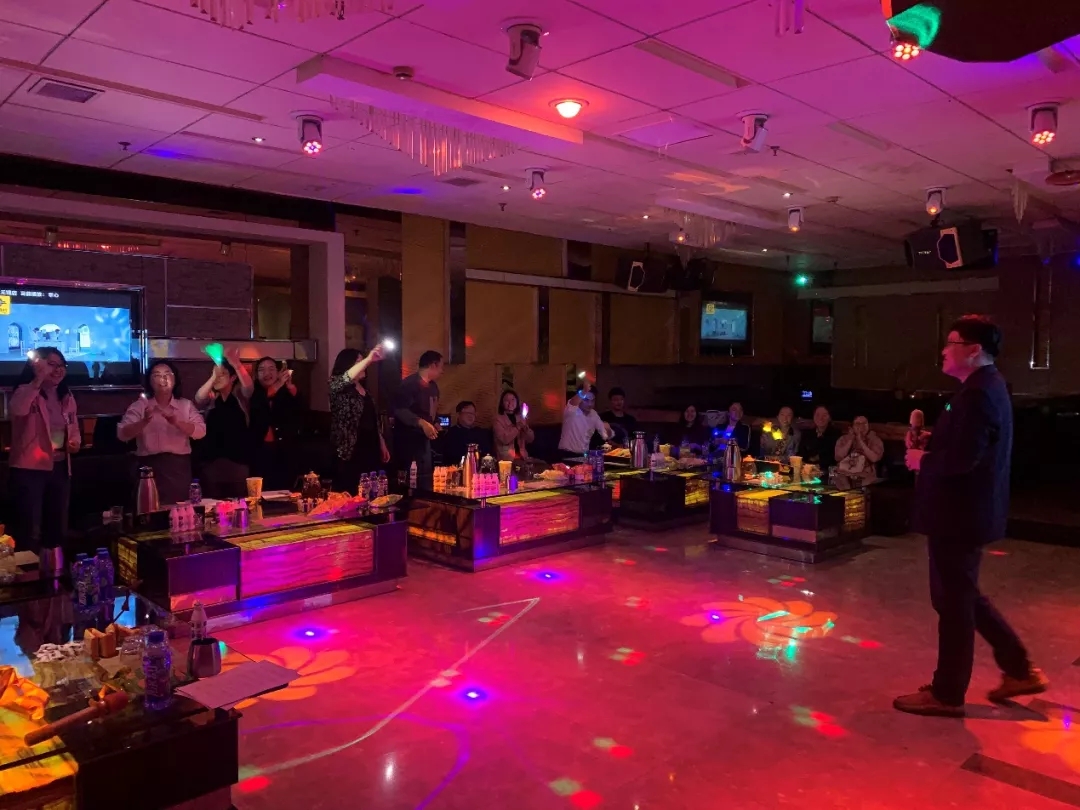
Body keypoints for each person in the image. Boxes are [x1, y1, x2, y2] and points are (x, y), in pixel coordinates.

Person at [895, 315, 1047, 716]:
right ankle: (1019, 668)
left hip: (958, 515)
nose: (944, 350)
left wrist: (922, 459)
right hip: (968, 513)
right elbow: (970, 443)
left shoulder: (978, 394)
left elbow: (964, 459)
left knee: (954, 604)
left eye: (952, 342)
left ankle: (947, 693)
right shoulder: (984, 386)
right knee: (962, 596)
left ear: (974, 350)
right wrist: (934, 440)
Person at [7, 348, 80, 553]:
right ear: (36, 366)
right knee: (29, 529)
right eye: (51, 365)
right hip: (29, 469)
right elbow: (17, 409)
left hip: (59, 466)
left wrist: (74, 442)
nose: (58, 370)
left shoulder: (66, 395)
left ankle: (54, 569)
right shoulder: (26, 390)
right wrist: (37, 380)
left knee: (56, 527)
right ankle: (28, 571)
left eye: (61, 365)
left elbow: (73, 426)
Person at [118, 361, 206, 505]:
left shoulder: (185, 405)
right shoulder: (140, 406)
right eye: (157, 375)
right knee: (150, 509)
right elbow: (122, 434)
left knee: (179, 510)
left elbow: (201, 432)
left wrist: (177, 422)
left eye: (167, 374)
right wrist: (144, 421)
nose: (163, 379)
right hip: (148, 469)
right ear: (149, 381)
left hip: (178, 468)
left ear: (175, 379)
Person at [194, 350, 254, 499]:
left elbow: (249, 388)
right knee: (213, 504)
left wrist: (236, 364)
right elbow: (198, 398)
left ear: (233, 377)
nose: (217, 378)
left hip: (237, 463)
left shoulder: (239, 396)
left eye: (222, 374)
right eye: (215, 374)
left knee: (238, 504)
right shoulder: (212, 399)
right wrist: (213, 377)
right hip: (212, 464)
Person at [329, 347, 388, 495]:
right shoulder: (336, 384)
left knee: (372, 490)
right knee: (351, 491)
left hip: (370, 445)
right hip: (350, 449)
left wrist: (381, 443)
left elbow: (372, 418)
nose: (365, 365)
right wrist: (369, 359)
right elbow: (346, 378)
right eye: (359, 362)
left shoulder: (364, 389)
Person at [393, 350, 443, 490]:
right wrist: (421, 423)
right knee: (410, 479)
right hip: (409, 441)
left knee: (425, 478)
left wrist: (435, 422)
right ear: (433, 365)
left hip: (425, 442)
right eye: (441, 367)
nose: (442, 371)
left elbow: (432, 410)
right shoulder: (408, 385)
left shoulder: (433, 387)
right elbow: (400, 410)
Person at [250, 357, 301, 491]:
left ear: (278, 372)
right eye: (262, 370)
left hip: (284, 448)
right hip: (260, 450)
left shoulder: (285, 391)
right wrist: (278, 384)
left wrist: (290, 387)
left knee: (285, 489)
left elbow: (299, 412)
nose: (267, 373)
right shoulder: (252, 391)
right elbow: (259, 403)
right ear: (256, 375)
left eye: (271, 369)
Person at [557, 379, 612, 459]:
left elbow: (605, 436)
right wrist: (584, 391)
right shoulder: (572, 411)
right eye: (586, 400)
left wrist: (608, 429)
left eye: (592, 401)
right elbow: (572, 402)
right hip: (566, 454)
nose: (590, 404)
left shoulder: (594, 414)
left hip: (584, 455)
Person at [834, 415, 884, 484]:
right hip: (845, 474)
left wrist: (860, 441)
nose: (861, 426)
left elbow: (874, 458)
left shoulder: (875, 440)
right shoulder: (843, 439)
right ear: (852, 427)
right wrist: (850, 440)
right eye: (858, 424)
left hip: (865, 474)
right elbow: (838, 457)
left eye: (864, 423)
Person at [493, 390, 534, 462]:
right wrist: (518, 427)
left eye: (513, 399)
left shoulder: (520, 418)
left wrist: (526, 429)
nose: (510, 402)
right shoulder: (498, 419)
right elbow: (504, 439)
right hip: (506, 460)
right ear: (502, 403)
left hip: (523, 458)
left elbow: (530, 440)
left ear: (517, 402)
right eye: (506, 400)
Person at [798, 406, 841, 470]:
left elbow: (833, 456)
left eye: (824, 415)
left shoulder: (836, 434)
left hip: (826, 470)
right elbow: (801, 452)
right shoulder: (807, 433)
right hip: (806, 468)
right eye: (817, 415)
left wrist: (818, 461)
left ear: (829, 418)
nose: (821, 418)